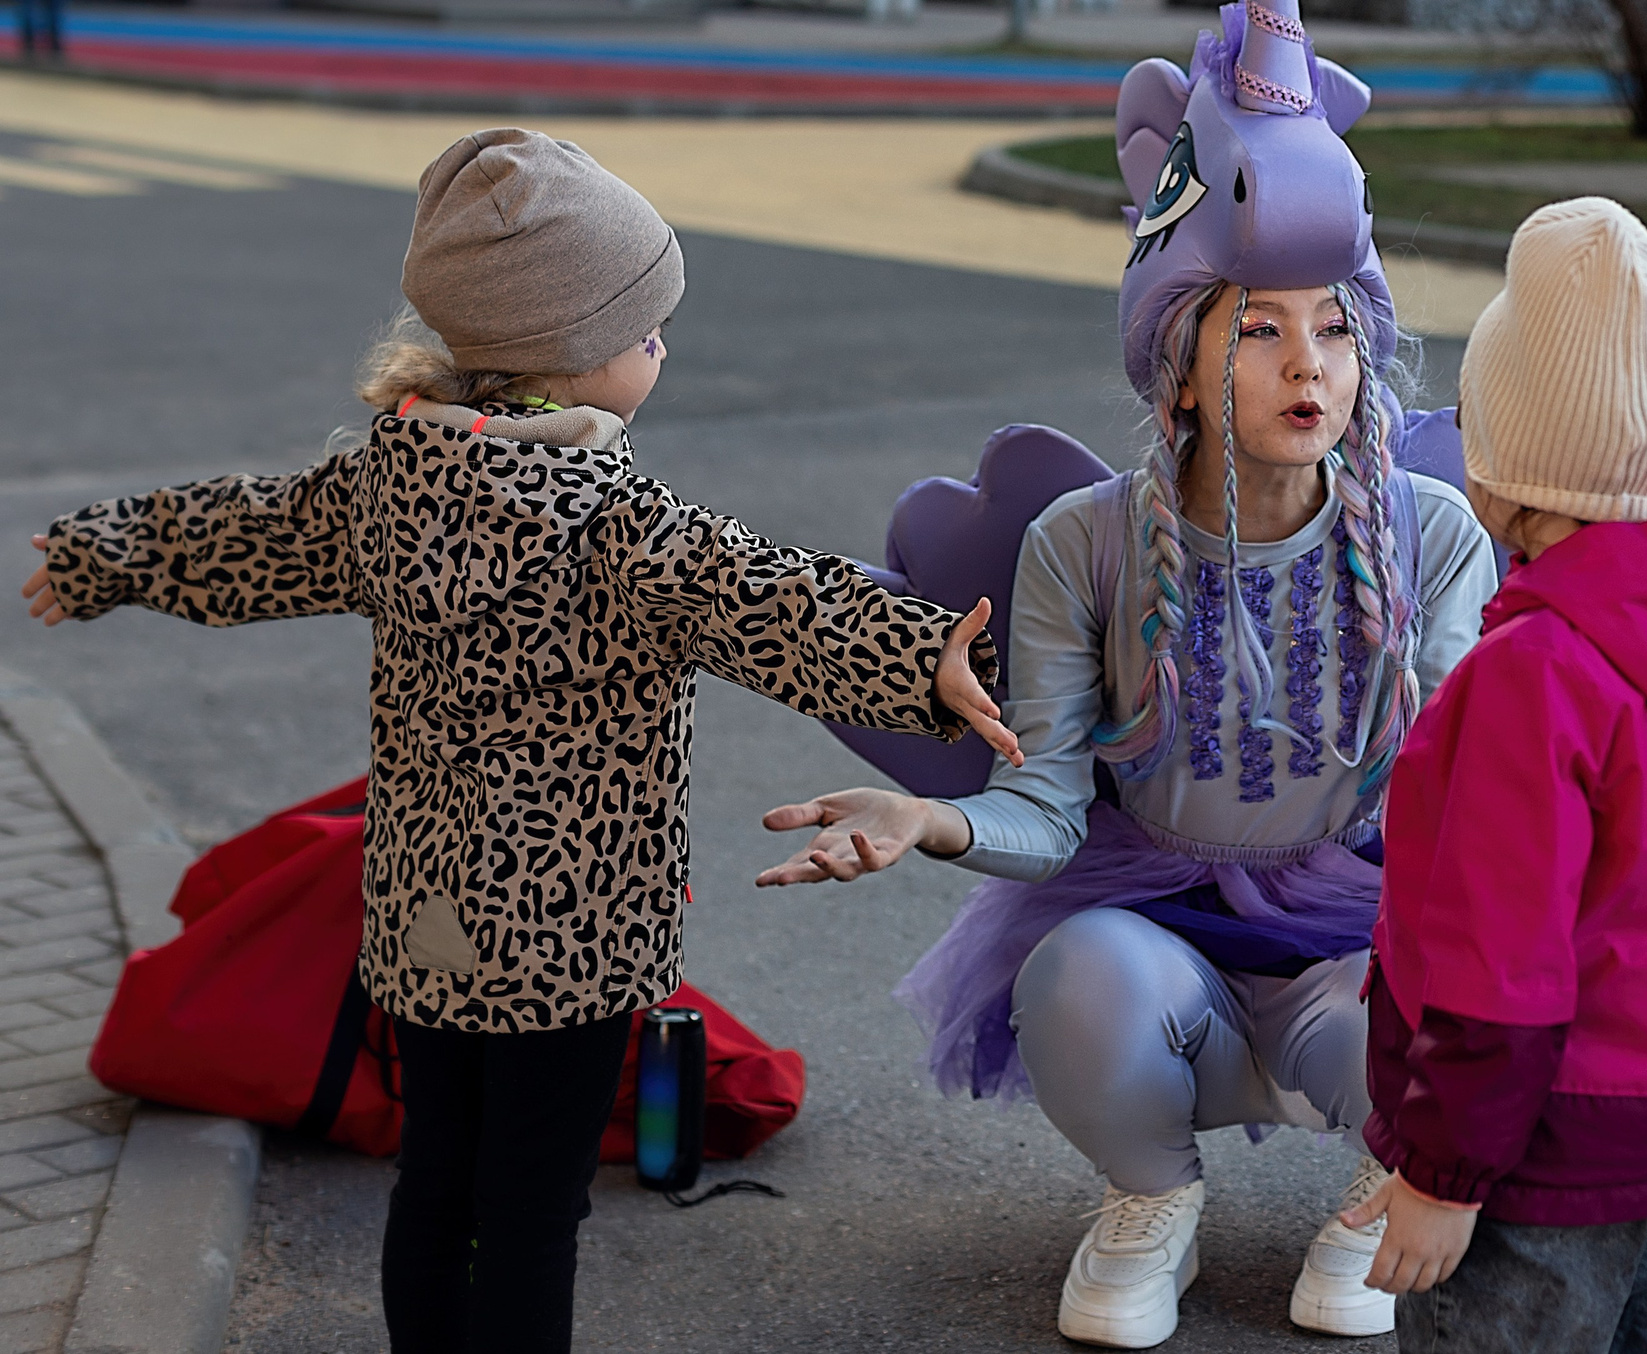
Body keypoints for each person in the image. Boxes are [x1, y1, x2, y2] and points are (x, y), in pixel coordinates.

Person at [19, 128, 1019, 1354]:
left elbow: (246, 531)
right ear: (567, 351)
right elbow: (780, 601)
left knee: (436, 1187)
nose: (662, 344)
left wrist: (103, 552)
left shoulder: (383, 483)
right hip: (574, 938)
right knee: (534, 1214)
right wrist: (931, 659)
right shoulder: (623, 520)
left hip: (425, 920)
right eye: (646, 326)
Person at [754, 0, 1500, 1350]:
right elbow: (1043, 800)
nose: (1313, 364)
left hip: (1356, 945)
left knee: (1439, 989)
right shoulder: (1082, 546)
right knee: (1072, 972)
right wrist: (934, 825)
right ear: (1177, 358)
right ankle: (1150, 1198)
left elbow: (1468, 790)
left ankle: (1379, 1193)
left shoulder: (1435, 535)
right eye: (1264, 325)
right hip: (1159, 942)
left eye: (1337, 326)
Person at [1352, 198, 1647, 1352]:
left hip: (1524, 1153)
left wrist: (1441, 1172)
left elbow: (1499, 963)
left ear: (1499, 467)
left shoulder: (1530, 674)